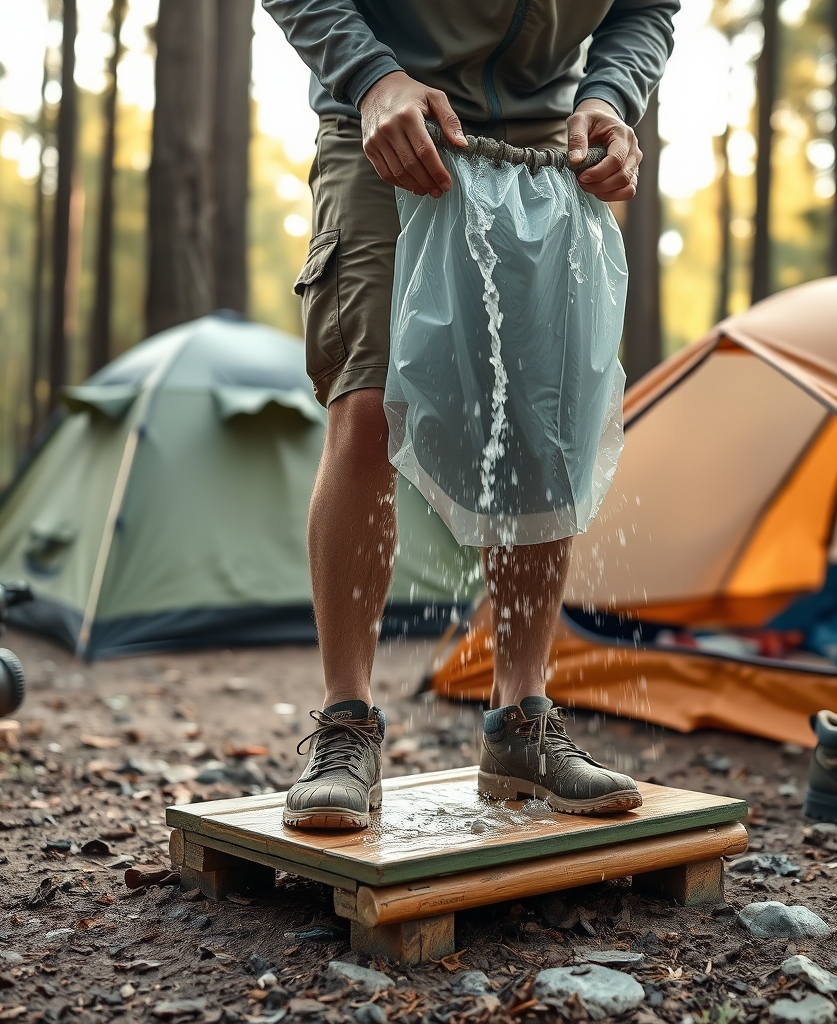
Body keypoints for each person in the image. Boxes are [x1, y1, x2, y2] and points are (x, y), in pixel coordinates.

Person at [263, 0, 680, 830]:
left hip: (549, 147)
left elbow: (648, 7)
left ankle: (520, 719)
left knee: (544, 429)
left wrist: (613, 95)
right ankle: (345, 723)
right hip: (389, 129)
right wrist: (371, 75)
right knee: (369, 404)